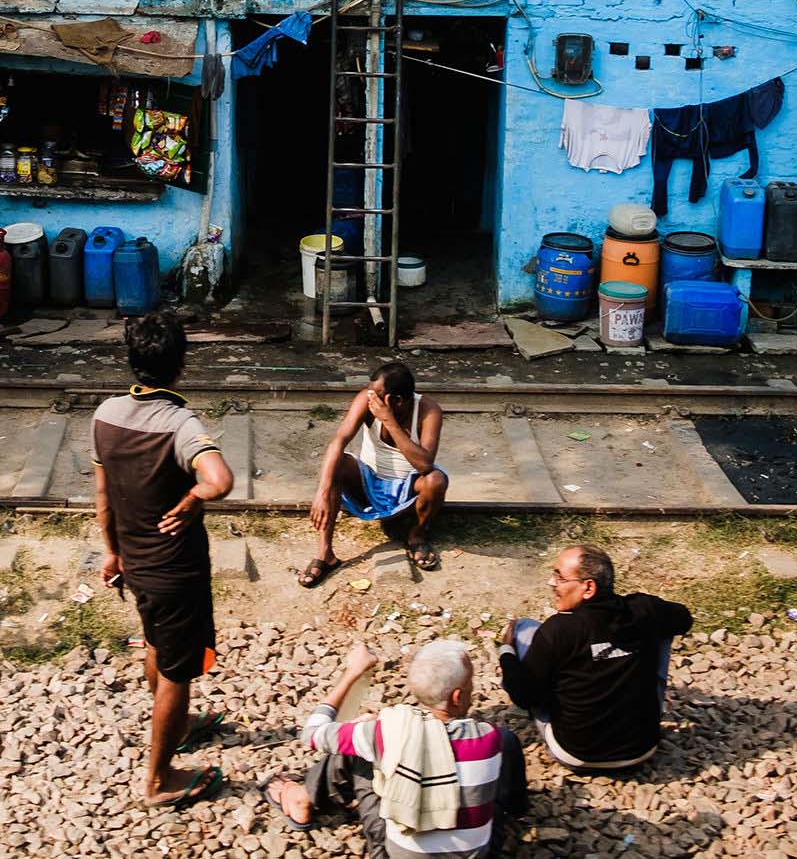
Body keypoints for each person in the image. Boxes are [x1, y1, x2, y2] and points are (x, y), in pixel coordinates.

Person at [92, 311, 234, 808]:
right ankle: (158, 779)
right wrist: (195, 499)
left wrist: (111, 552)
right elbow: (220, 480)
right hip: (175, 569)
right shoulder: (180, 423)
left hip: (133, 561)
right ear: (181, 365)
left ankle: (180, 723)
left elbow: (104, 495)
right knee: (179, 672)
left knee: (157, 641)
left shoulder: (105, 414)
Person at [263, 640, 521, 858]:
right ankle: (509, 811)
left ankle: (303, 798)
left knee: (361, 750)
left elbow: (312, 733)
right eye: (470, 683)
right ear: (457, 697)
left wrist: (352, 672)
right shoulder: (495, 738)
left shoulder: (386, 731)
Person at [497, 545, 693, 771]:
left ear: (588, 587)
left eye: (559, 577)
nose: (552, 583)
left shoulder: (559, 630)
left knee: (524, 628)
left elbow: (524, 697)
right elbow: (684, 619)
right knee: (661, 628)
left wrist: (507, 651)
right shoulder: (644, 609)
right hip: (642, 748)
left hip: (577, 753)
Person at [302, 362, 449, 586]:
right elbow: (338, 441)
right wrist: (322, 492)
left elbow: (424, 465)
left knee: (435, 480)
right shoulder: (366, 400)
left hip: (408, 491)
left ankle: (416, 535)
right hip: (369, 485)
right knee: (337, 463)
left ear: (397, 400)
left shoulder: (429, 410)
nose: (371, 398)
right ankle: (326, 555)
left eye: (377, 395)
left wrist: (389, 421)